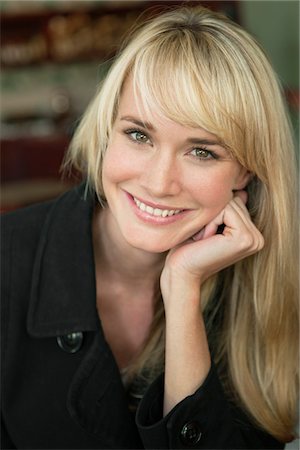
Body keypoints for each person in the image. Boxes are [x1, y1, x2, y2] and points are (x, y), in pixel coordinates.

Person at [1, 5, 298, 450]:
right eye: (139, 135)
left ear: (246, 173)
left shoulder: (271, 291)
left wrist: (184, 292)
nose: (159, 183)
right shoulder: (8, 261)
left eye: (202, 151)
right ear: (105, 134)